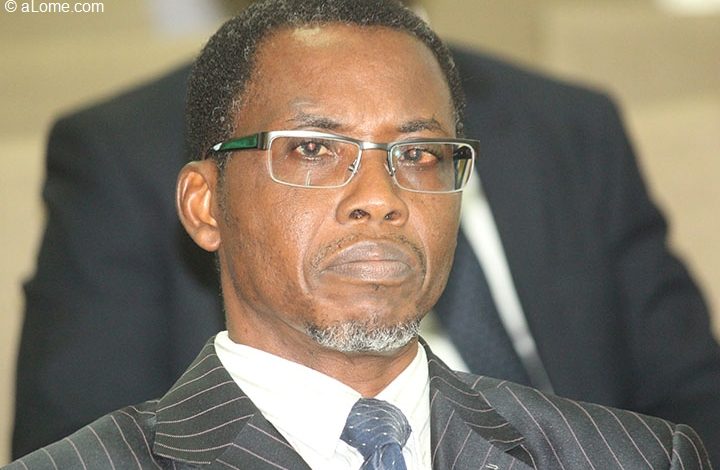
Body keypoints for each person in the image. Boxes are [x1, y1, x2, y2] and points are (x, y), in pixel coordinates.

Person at [6, 1, 712, 468]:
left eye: (420, 155)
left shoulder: (642, 456)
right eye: (313, 150)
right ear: (204, 206)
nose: (380, 198)